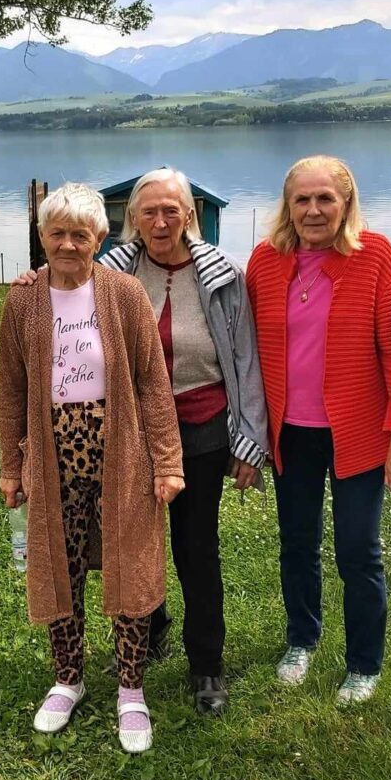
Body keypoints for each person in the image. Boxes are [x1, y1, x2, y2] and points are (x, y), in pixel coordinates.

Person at [0, 182, 185, 754]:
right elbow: (11, 389)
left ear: (100, 238)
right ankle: (67, 678)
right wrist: (11, 466)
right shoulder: (23, 301)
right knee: (61, 566)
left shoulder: (125, 294)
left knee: (131, 565)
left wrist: (167, 461)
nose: (68, 244)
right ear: (42, 237)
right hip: (52, 456)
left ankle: (131, 688)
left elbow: (152, 383)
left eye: (80, 234)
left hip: (120, 453)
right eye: (57, 233)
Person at [95, 168, 270, 715]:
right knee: (134, 543)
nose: (160, 221)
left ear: (189, 215)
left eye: (171, 210)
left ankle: (206, 665)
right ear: (133, 218)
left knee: (196, 549)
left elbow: (245, 358)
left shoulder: (222, 274)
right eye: (148, 211)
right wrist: (35, 280)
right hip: (133, 429)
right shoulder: (111, 273)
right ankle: (147, 634)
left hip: (202, 427)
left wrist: (249, 440)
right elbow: (64, 300)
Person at [245, 155, 391, 706]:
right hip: (291, 431)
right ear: (288, 206)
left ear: (346, 203)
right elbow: (244, 342)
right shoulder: (265, 260)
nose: (313, 210)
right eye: (302, 200)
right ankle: (302, 640)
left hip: (358, 428)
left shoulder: (375, 254)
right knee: (297, 543)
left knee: (358, 549)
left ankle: (364, 663)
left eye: (325, 199)